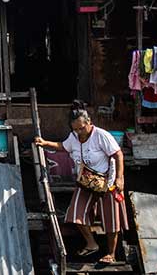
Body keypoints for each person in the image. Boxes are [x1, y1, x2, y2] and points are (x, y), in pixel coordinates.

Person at [35, 105, 127, 264]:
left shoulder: (101, 136)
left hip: (107, 183)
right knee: (75, 214)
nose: (79, 132)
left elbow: (118, 154)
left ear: (89, 122)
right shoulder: (74, 137)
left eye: (82, 128)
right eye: (76, 129)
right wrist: (44, 143)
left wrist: (119, 179)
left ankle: (111, 254)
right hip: (86, 182)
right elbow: (63, 147)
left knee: (112, 220)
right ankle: (92, 243)